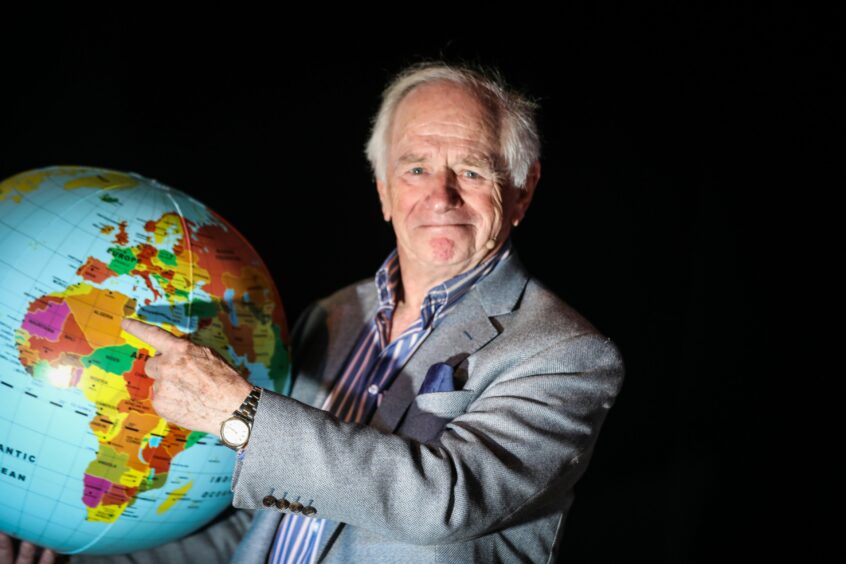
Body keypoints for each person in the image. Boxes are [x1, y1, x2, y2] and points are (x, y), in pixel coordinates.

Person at [2, 61, 624, 564]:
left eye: (471, 169)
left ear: (522, 189)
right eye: (415, 168)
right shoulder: (332, 317)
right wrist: (78, 557)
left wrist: (236, 412)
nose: (440, 194)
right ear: (382, 189)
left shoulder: (565, 354)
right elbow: (260, 521)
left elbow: (447, 499)